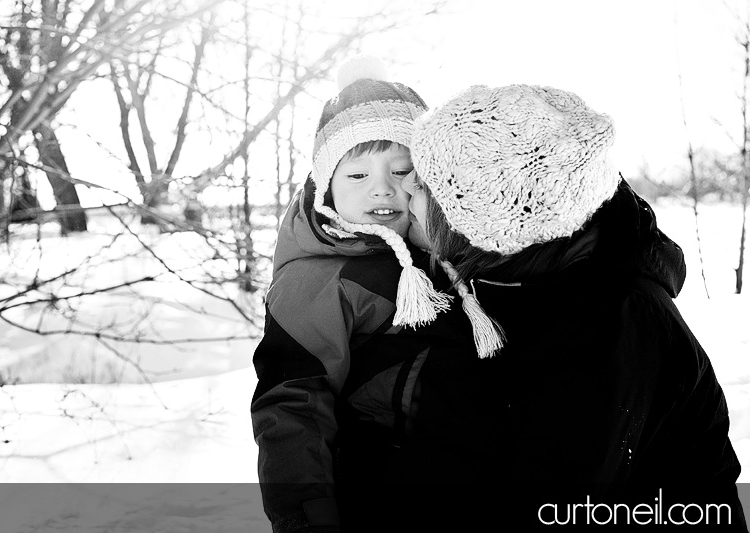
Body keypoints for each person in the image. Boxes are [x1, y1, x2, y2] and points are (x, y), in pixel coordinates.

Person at [399, 83, 747, 530]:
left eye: (428, 179)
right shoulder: (522, 281)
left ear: (484, 221)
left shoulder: (612, 330)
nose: (406, 182)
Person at [250, 56, 453, 533]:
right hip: (375, 496)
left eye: (402, 170)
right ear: (328, 188)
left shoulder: (447, 257)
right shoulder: (317, 279)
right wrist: (306, 514)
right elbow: (293, 402)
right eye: (357, 175)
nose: (381, 188)